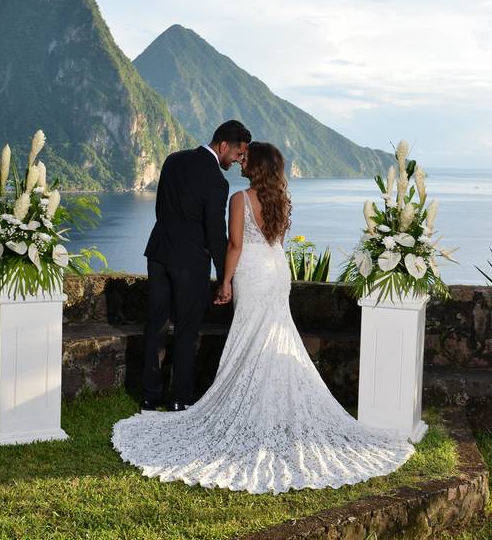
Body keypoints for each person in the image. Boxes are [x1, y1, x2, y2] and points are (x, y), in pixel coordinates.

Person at [114, 141, 414, 494]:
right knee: (275, 333)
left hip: (252, 272)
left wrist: (224, 281)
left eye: (246, 157)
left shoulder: (239, 199)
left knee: (250, 334)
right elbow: (278, 241)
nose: (241, 161)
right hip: (277, 270)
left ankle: (253, 407)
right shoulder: (281, 199)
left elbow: (236, 245)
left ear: (254, 165)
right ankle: (276, 411)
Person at [141, 120, 251, 412]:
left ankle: (149, 395)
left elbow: (160, 209)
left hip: (159, 253)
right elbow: (216, 234)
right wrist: (224, 278)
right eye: (238, 155)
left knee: (156, 324)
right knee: (186, 331)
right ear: (224, 145)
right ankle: (180, 397)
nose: (239, 161)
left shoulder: (173, 160)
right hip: (190, 263)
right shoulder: (217, 181)